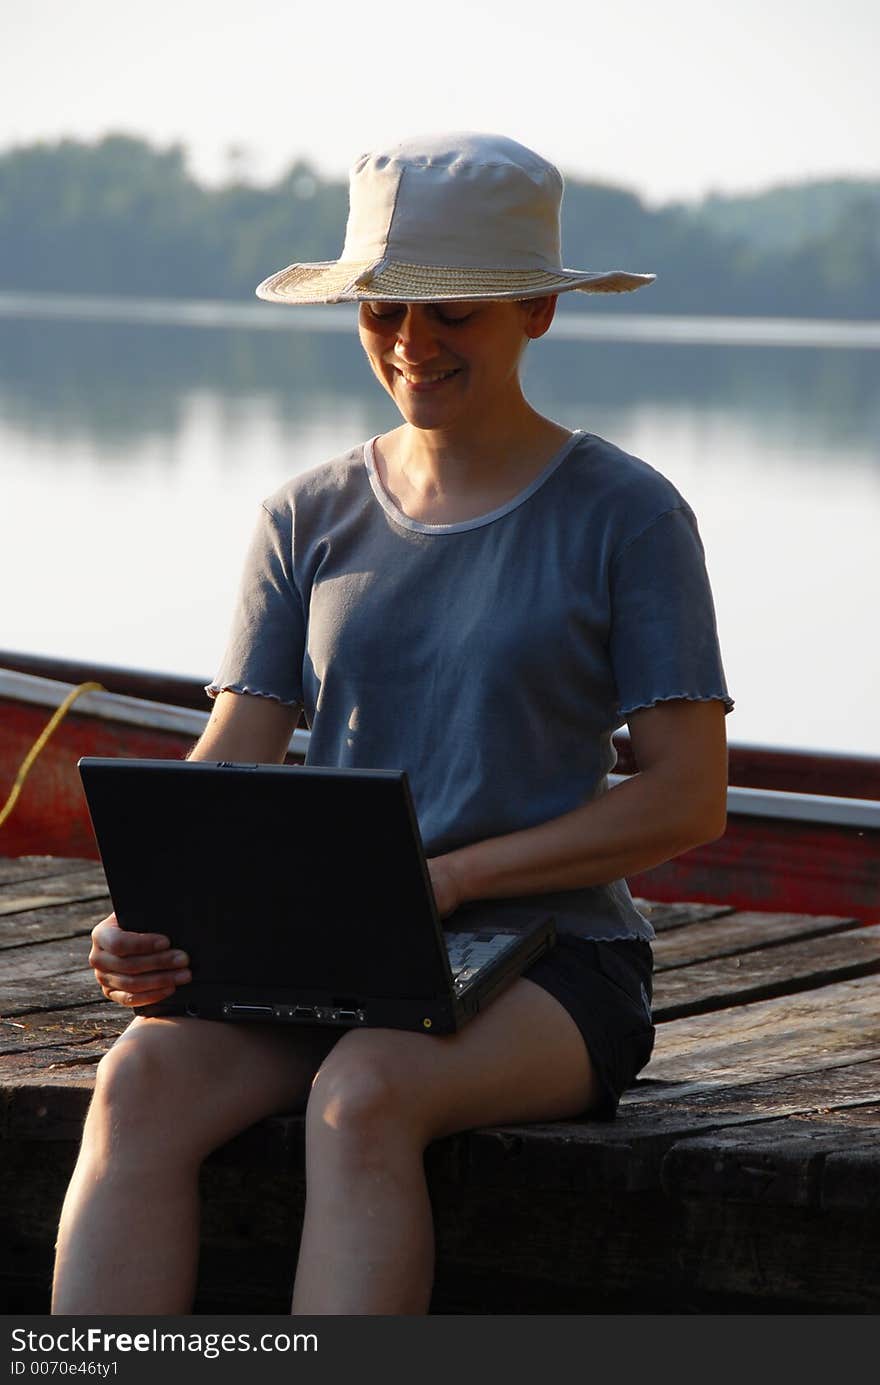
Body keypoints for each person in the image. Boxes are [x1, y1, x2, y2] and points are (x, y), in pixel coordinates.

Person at [51, 132, 733, 1316]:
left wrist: (456, 880)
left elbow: (685, 796)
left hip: (558, 965)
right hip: (322, 953)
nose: (412, 342)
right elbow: (232, 763)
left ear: (536, 312)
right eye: (383, 309)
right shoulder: (303, 514)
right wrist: (147, 916)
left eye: (452, 313)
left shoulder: (628, 513)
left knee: (362, 1091)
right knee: (140, 1078)